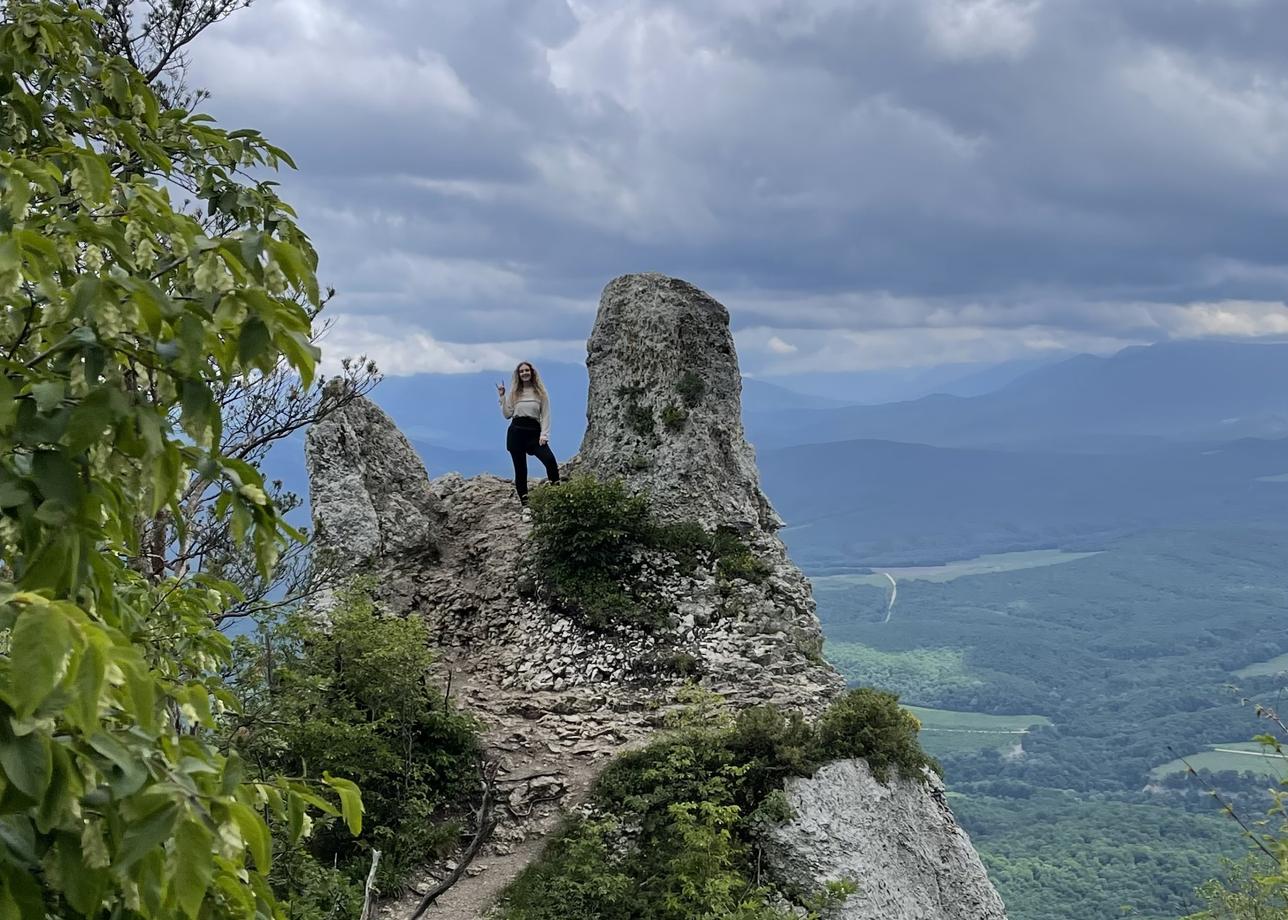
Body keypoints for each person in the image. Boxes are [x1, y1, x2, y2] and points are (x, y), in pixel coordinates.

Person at [498, 361, 560, 520]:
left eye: (527, 370)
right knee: (521, 471)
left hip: (534, 432)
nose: (524, 373)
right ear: (518, 375)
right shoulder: (514, 393)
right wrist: (502, 397)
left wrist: (544, 435)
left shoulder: (541, 393)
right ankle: (526, 507)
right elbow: (507, 415)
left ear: (532, 372)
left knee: (550, 461)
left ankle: (557, 498)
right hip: (516, 432)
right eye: (521, 371)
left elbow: (545, 415)